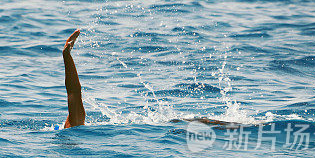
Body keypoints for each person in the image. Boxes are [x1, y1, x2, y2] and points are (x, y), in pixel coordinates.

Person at [59, 29, 234, 128]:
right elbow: (74, 92)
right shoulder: (75, 124)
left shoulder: (75, 125)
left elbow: (74, 92)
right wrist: (66, 56)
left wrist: (67, 56)